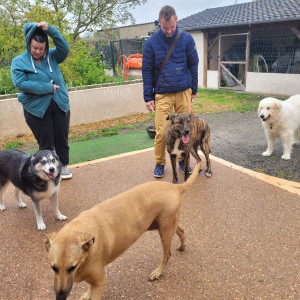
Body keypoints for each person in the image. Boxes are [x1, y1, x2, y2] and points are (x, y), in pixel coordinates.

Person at [142, 5, 199, 178]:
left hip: (183, 91)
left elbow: (193, 65)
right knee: (161, 132)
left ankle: (182, 160)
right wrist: (148, 97)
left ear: (176, 21)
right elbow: (147, 70)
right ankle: (160, 163)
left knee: (185, 131)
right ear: (159, 22)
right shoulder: (151, 42)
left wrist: (193, 89)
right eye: (165, 27)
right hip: (162, 94)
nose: (168, 31)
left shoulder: (187, 39)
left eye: (172, 27)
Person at [11, 21, 72, 179]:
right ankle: (45, 171)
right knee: (46, 142)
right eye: (34, 48)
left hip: (60, 105)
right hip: (36, 110)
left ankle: (63, 165)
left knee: (61, 137)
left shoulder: (52, 56)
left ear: (45, 47)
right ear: (28, 44)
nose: (37, 51)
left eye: (41, 48)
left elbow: (65, 49)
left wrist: (51, 30)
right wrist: (47, 87)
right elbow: (20, 83)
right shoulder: (19, 62)